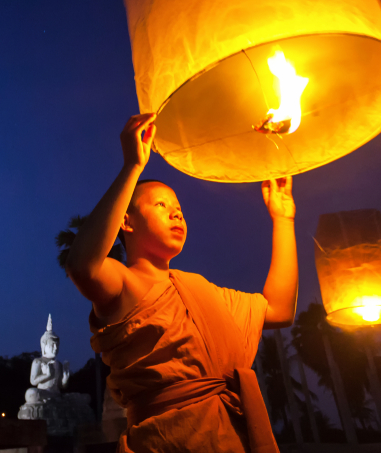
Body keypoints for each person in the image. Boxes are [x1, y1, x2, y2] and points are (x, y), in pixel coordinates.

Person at [66, 114, 299, 452]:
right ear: (126, 222)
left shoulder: (200, 292)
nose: (177, 214)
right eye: (162, 205)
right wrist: (133, 166)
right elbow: (82, 265)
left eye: (179, 209)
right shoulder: (123, 282)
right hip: (166, 442)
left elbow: (278, 310)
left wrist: (283, 219)